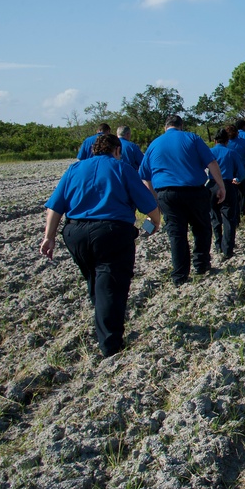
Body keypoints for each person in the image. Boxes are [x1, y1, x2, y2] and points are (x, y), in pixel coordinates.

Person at [42, 134, 161, 357]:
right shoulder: (122, 168)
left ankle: (103, 322)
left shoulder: (74, 170)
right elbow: (147, 202)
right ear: (117, 150)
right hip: (111, 233)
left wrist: (49, 236)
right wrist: (155, 220)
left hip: (76, 233)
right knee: (111, 286)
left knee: (94, 279)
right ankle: (110, 345)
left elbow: (55, 206)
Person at [140, 115, 225, 285]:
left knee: (176, 234)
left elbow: (144, 176)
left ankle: (179, 276)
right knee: (201, 228)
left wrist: (155, 199)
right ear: (181, 126)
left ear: (166, 127)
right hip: (194, 191)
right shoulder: (192, 138)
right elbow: (212, 162)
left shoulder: (154, 144)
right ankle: (201, 265)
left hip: (167, 194)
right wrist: (221, 186)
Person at [209, 129, 245, 259]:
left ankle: (218, 243)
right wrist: (238, 179)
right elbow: (241, 172)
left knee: (214, 216)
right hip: (228, 185)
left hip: (212, 186)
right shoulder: (231, 153)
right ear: (227, 141)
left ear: (214, 141)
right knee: (229, 218)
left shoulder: (209, 152)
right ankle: (228, 248)